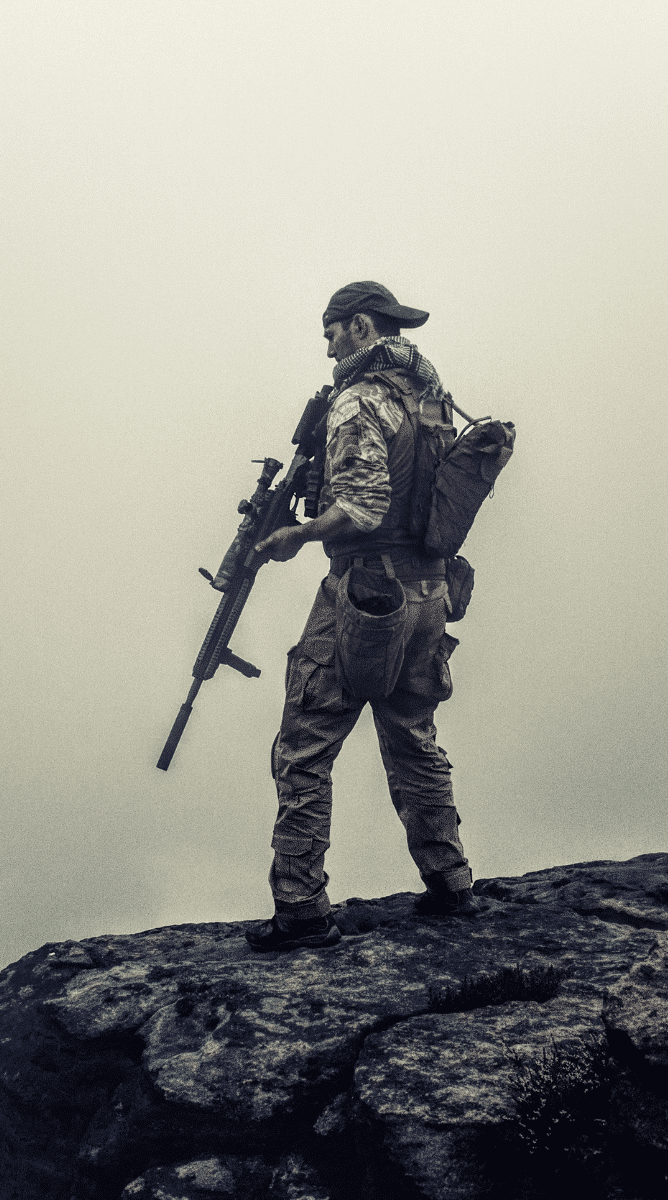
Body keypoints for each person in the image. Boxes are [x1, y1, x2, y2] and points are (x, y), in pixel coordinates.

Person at [245, 281, 476, 952]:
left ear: (361, 328)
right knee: (413, 738)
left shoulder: (357, 402)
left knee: (304, 747)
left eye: (332, 330)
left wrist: (302, 533)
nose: (325, 343)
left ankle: (302, 911)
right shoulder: (431, 401)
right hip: (429, 594)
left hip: (364, 596)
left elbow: (366, 503)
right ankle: (451, 881)